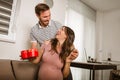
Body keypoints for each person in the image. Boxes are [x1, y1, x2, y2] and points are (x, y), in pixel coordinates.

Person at [30, 3, 75, 80]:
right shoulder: (34, 30)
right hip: (48, 59)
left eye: (49, 15)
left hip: (62, 60)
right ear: (37, 16)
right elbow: (33, 51)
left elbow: (68, 41)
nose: (48, 18)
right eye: (45, 17)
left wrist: (73, 53)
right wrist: (29, 56)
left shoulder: (57, 25)